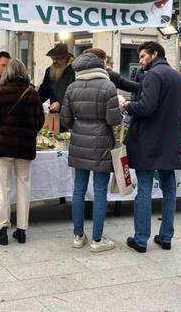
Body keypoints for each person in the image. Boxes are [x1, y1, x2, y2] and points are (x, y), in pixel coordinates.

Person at [124, 41, 181, 253]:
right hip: (170, 141)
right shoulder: (178, 76)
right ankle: (166, 237)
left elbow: (146, 107)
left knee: (144, 190)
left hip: (148, 142)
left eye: (142, 56)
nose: (140, 60)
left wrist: (127, 105)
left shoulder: (152, 75)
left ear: (154, 54)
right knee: (169, 190)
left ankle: (141, 239)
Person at [61, 52, 122, 252]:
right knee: (100, 191)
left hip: (79, 140)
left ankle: (78, 236)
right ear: (100, 67)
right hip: (102, 141)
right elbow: (114, 120)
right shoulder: (108, 87)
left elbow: (66, 121)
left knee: (78, 189)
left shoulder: (72, 87)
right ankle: (97, 239)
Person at [0, 59, 44, 245]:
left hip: (3, 146)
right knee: (24, 186)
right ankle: (22, 230)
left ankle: (1, 229)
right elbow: (39, 121)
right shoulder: (32, 93)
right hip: (25, 146)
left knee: (4, 187)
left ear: (7, 73)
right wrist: (27, 133)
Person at [38, 43, 75, 113]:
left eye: (57, 59)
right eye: (53, 58)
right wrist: (35, 101)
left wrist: (60, 103)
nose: (54, 61)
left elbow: (73, 93)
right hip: (54, 111)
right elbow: (45, 90)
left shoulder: (73, 71)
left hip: (69, 112)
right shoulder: (49, 70)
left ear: (65, 58)